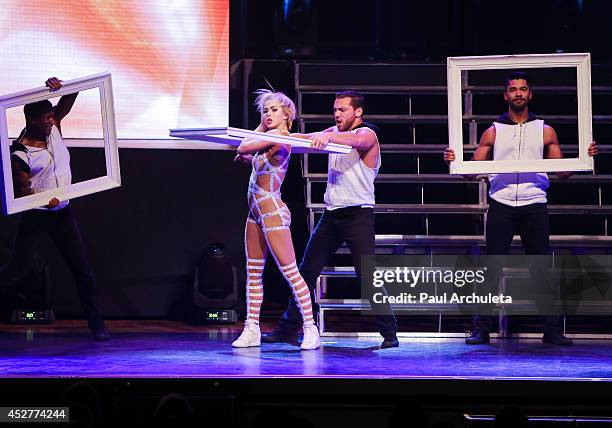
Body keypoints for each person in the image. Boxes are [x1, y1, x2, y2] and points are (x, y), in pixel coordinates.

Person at [444, 71, 598, 346]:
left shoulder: (544, 129)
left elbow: (561, 172)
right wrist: (455, 161)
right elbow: (471, 172)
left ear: (530, 94)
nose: (518, 93)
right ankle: (481, 329)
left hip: (534, 203)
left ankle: (550, 330)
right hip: (501, 203)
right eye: (513, 89)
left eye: (523, 89)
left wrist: (585, 158)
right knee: (491, 268)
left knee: (540, 269)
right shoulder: (493, 130)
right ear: (506, 95)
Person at [262, 90, 399, 348]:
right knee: (306, 271)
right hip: (332, 215)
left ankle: (390, 334)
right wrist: (277, 138)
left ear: (358, 112)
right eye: (335, 109)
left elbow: (353, 142)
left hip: (358, 214)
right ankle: (288, 328)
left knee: (367, 277)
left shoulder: (367, 134)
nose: (337, 114)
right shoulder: (332, 133)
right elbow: (306, 139)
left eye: (343, 110)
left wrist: (323, 137)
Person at [1, 77, 109, 341]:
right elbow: (23, 192)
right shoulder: (20, 153)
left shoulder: (54, 128)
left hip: (62, 213)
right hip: (37, 216)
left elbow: (69, 99)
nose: (51, 120)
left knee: (82, 269)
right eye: (46, 117)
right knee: (16, 270)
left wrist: (61, 87)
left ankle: (97, 326)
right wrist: (41, 198)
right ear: (32, 121)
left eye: (52, 116)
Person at [232, 89, 320, 350]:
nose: (268, 115)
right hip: (255, 213)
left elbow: (243, 144)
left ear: (287, 114)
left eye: (273, 110)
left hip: (271, 211)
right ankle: (251, 328)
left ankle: (310, 328)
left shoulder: (280, 135)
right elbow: (250, 152)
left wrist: (254, 139)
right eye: (265, 111)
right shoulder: (268, 137)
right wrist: (249, 159)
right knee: (254, 273)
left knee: (290, 272)